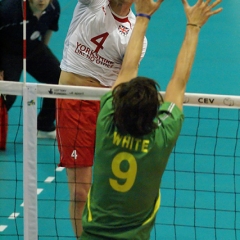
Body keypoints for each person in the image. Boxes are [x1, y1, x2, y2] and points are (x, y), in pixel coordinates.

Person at [81, 0, 223, 239]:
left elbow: (128, 69)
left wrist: (144, 15)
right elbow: (179, 82)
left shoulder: (106, 120)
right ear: (154, 113)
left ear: (118, 104)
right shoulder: (161, 137)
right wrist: (193, 26)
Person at [56, 0, 147, 237]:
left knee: (111, 193)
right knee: (80, 192)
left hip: (108, 108)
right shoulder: (92, 4)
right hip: (74, 106)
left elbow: (127, 77)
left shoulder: (136, 34)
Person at [0, 0, 61, 139]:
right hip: (8, 52)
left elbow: (49, 29)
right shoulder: (7, 10)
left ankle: (44, 125)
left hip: (33, 48)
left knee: (58, 78)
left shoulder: (53, 7)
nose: (41, 1)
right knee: (7, 95)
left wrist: (43, 52)